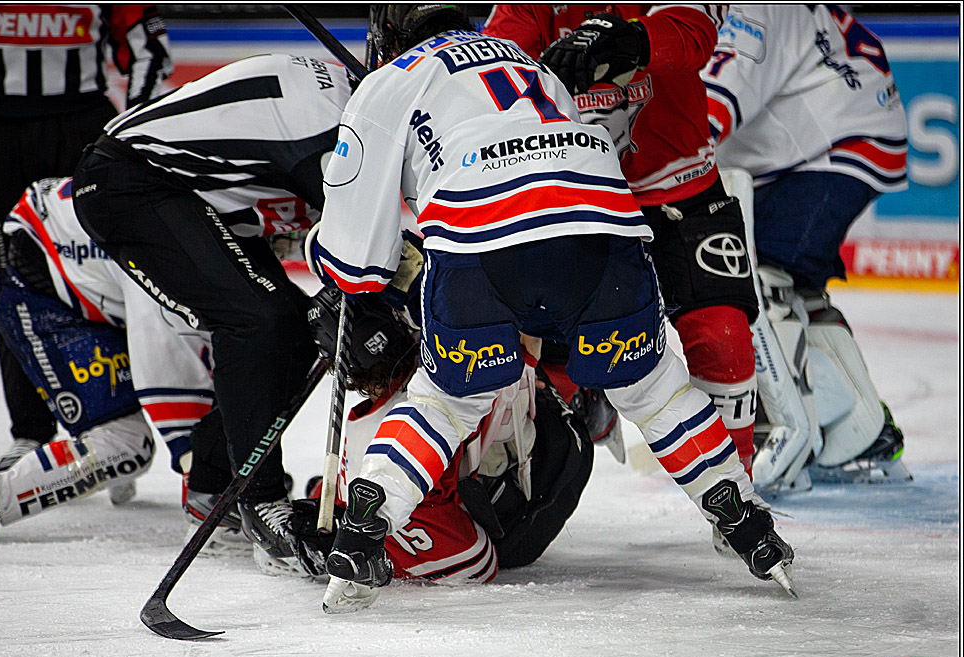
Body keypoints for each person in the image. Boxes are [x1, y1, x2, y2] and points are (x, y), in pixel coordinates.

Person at [305, 5, 795, 613]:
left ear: (390, 36)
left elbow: (357, 264)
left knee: (447, 401)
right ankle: (741, 516)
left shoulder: (387, 82)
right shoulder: (529, 63)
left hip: (482, 245)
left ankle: (367, 520)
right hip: (603, 230)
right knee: (653, 391)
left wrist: (332, 263)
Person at [71, 53, 350, 575]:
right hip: (130, 183)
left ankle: (214, 485)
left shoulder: (347, 102)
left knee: (293, 329)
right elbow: (357, 246)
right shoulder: (328, 122)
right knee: (259, 320)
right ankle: (259, 501)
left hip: (192, 196)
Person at [483, 4, 761, 477]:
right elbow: (494, 62)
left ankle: (739, 488)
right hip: (578, 194)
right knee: (541, 358)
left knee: (722, 337)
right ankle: (537, 466)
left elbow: (695, 32)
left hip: (680, 182)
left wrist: (628, 39)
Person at [0, 4, 173, 469]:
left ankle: (115, 426)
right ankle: (30, 432)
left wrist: (131, 137)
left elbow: (149, 48)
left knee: (104, 284)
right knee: (0, 286)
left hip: (84, 131)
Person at [700, 5, 910, 489]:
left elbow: (716, 102)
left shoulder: (755, 8)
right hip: (831, 140)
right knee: (797, 290)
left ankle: (788, 432)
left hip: (835, 145)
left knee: (763, 280)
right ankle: (861, 426)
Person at [273, 285, 595, 592]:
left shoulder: (366, 443)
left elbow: (477, 561)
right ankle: (584, 391)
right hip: (550, 448)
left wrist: (359, 542)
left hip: (532, 500)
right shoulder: (446, 343)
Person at [0, 176, 213, 543]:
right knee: (126, 446)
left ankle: (111, 446)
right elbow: (165, 360)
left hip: (96, 277)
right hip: (47, 297)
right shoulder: (170, 240)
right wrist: (199, 467)